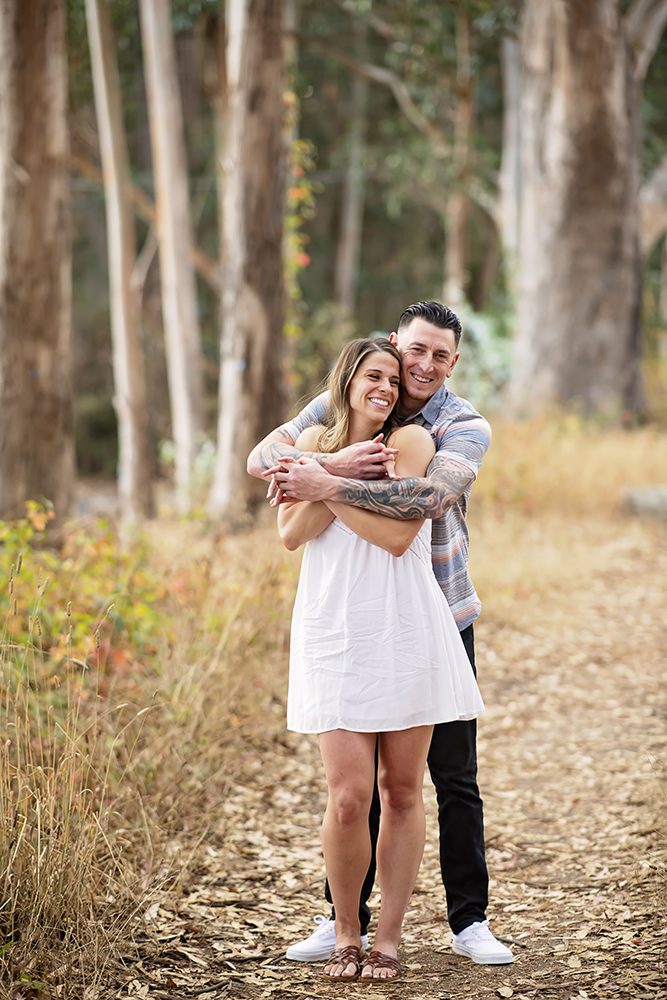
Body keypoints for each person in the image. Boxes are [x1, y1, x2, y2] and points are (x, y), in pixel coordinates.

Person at [247, 300, 514, 967]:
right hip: (340, 620)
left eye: (437, 358)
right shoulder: (324, 419)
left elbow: (423, 506)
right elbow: (264, 462)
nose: (414, 371)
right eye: (408, 356)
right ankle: (344, 923)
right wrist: (328, 465)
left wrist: (323, 482)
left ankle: (467, 920)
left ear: (452, 362)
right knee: (349, 791)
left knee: (446, 777)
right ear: (395, 347)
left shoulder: (456, 425)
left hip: (436, 611)